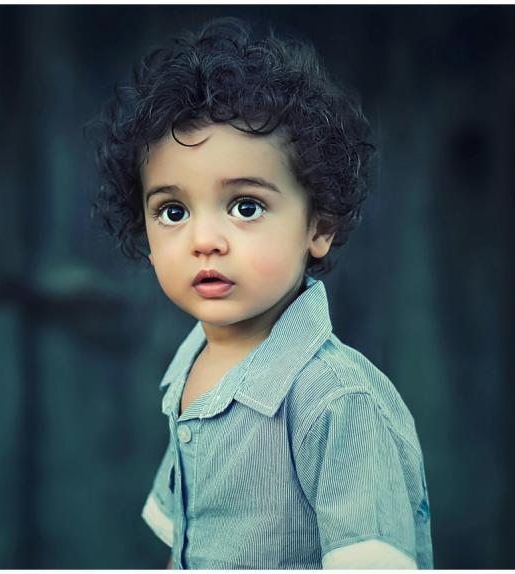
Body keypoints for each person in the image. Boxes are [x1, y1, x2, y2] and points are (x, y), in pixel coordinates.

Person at [90, 17, 432, 569]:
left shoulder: (336, 402)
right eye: (173, 211)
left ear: (317, 226)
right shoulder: (191, 365)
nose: (204, 240)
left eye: (245, 206)